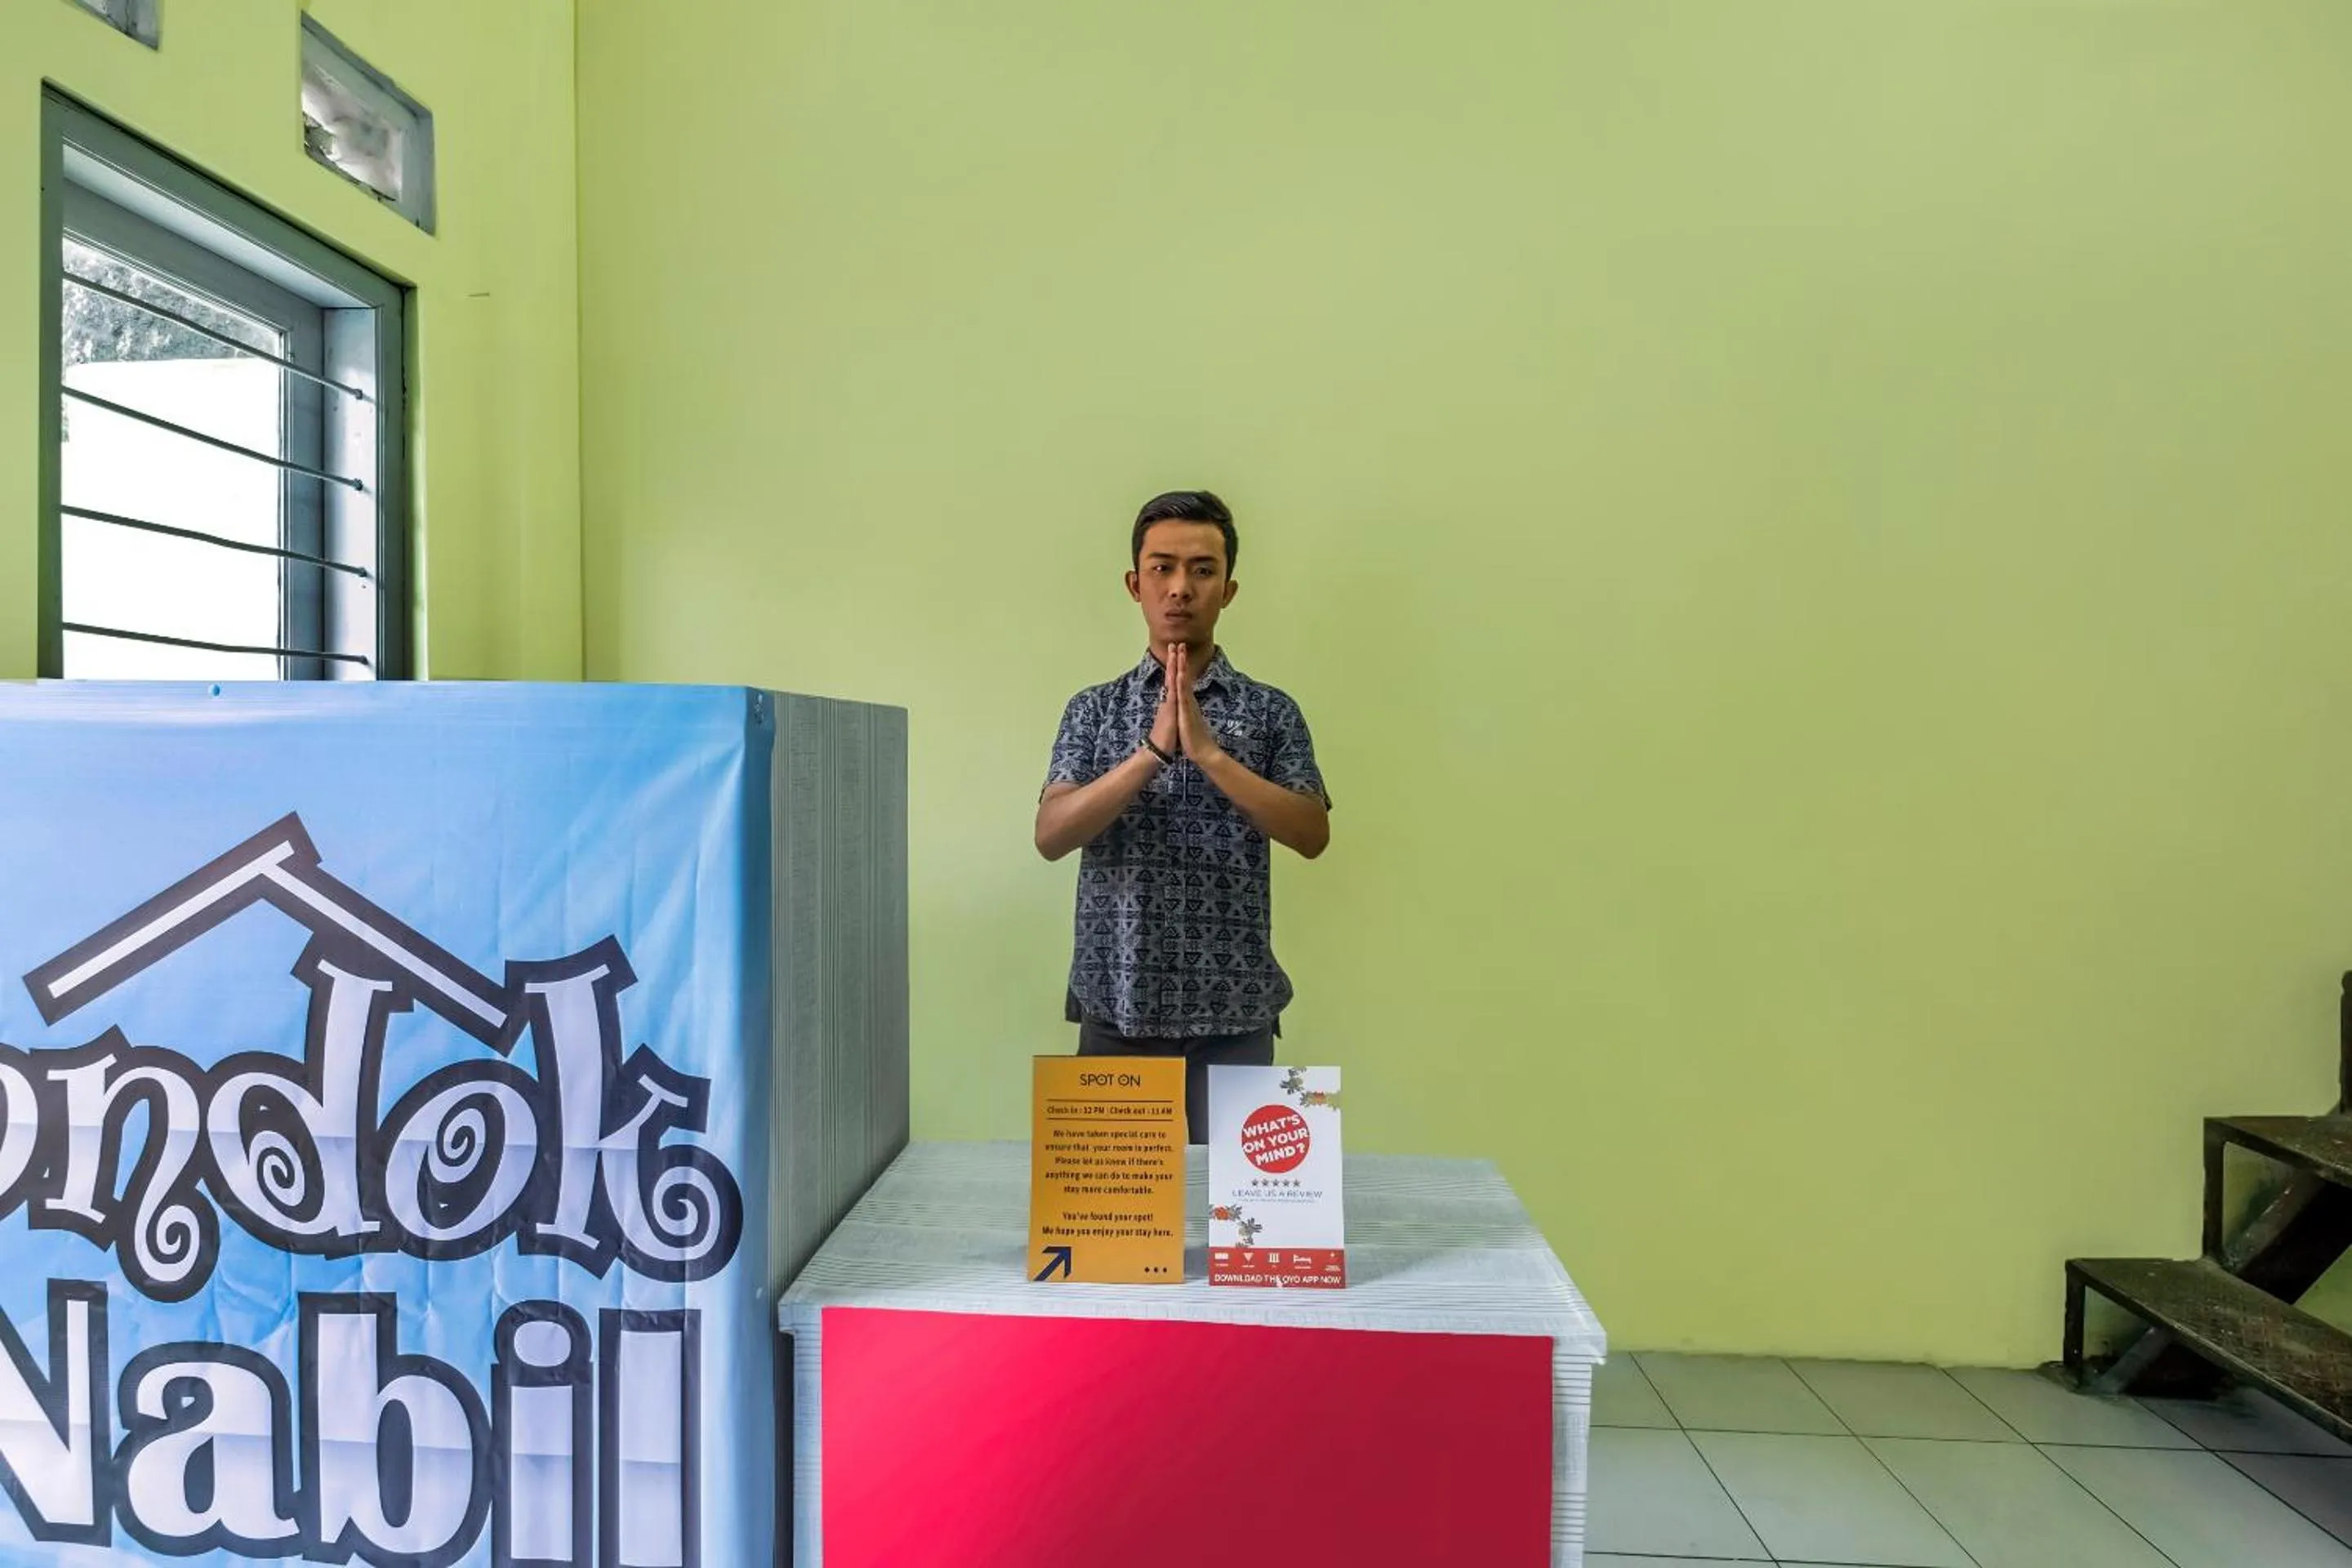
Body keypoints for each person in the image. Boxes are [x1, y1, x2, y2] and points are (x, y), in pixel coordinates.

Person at [1035, 490, 1332, 1143]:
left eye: (1202, 570)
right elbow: (1052, 835)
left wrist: (1208, 754)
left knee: (1234, 1226)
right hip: (1117, 1010)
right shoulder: (1094, 710)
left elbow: (1312, 833)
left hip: (1235, 1015)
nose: (1180, 588)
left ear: (1228, 589)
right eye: (1163, 568)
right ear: (1134, 584)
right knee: (1114, 1234)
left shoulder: (1271, 713)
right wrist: (1152, 752)